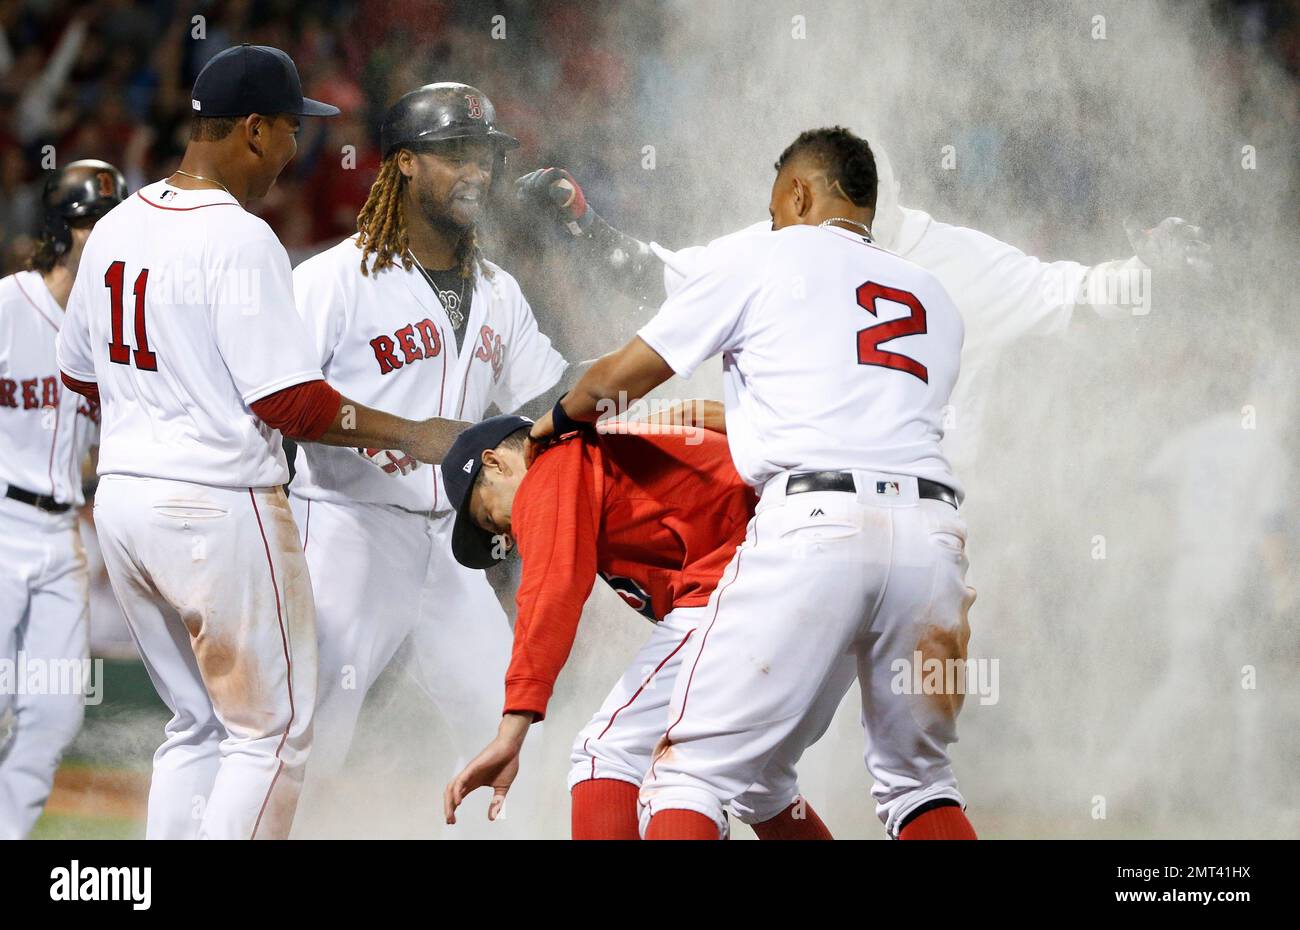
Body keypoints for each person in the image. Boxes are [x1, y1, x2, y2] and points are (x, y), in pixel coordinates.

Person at [56, 45, 465, 840]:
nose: (295, 147)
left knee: (197, 726)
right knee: (272, 732)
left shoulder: (115, 227)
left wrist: (164, 396)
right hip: (214, 506)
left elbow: (78, 378)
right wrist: (416, 432)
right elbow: (290, 402)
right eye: (287, 129)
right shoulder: (239, 238)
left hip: (126, 504)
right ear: (250, 129)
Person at [529, 127, 977, 840]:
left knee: (689, 774)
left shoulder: (764, 257)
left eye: (775, 208)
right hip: (934, 544)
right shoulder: (936, 296)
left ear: (799, 193)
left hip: (816, 525)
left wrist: (555, 418)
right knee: (918, 784)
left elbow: (622, 377)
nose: (771, 222)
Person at [516, 145, 1210, 468]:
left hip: (828, 513)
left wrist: (1146, 275)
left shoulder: (943, 258)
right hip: (912, 523)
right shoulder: (795, 244)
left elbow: (1080, 294)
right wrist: (1148, 275)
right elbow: (1086, 294)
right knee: (905, 742)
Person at [286, 84, 569, 807]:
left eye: (486, 154)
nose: (476, 169)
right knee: (305, 742)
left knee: (508, 735)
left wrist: (649, 361)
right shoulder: (331, 282)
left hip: (450, 547)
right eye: (454, 153)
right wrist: (415, 436)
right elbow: (284, 403)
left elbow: (549, 394)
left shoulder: (499, 289)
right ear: (404, 164)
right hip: (346, 532)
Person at [440, 411, 836, 839]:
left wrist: (510, 732)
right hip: (832, 564)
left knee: (607, 756)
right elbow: (715, 420)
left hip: (753, 573)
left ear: (496, 462)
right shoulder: (609, 450)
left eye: (487, 517)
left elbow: (549, 591)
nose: (506, 533)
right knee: (761, 782)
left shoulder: (553, 462)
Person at [0, 159, 124, 839]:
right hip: (1, 522)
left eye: (109, 222)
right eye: (86, 221)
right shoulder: (9, 303)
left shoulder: (112, 331)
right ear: (60, 228)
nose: (98, 234)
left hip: (62, 537)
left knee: (51, 712)